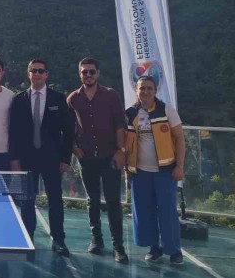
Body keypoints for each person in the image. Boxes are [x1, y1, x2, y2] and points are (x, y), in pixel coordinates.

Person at [8, 59, 74, 256]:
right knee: (27, 201)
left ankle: (59, 240)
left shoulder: (58, 99)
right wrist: (15, 160)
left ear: (46, 74)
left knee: (55, 199)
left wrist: (66, 158)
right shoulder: (19, 100)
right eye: (33, 70)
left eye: (40, 71)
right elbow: (14, 133)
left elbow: (68, 131)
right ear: (28, 73)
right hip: (27, 160)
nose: (36, 74)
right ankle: (28, 239)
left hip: (52, 159)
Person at [67, 58, 128, 263]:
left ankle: (118, 246)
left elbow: (120, 124)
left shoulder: (111, 95)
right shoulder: (73, 99)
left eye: (91, 71)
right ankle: (96, 240)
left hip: (110, 156)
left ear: (98, 73)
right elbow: (68, 128)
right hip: (87, 158)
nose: (88, 75)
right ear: (80, 74)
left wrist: (121, 151)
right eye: (84, 72)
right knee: (92, 201)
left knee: (113, 202)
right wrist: (74, 148)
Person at [125, 75, 185, 265]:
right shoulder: (130, 113)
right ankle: (154, 248)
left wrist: (180, 166)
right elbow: (125, 144)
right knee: (144, 211)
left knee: (168, 212)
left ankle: (174, 251)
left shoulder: (166, 109)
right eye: (142, 88)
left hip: (165, 171)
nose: (146, 92)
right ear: (136, 90)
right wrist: (127, 169)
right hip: (140, 172)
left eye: (149, 88)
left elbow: (180, 138)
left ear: (155, 90)